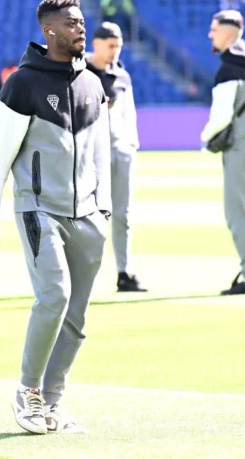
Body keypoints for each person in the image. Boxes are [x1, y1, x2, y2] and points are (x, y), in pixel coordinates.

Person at [0, 0, 110, 435]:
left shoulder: (93, 84)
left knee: (76, 318)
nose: (80, 28)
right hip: (38, 209)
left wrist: (104, 209)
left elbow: (101, 154)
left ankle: (52, 403)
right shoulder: (22, 84)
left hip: (88, 216)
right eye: (71, 23)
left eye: (82, 21)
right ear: (49, 31)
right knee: (54, 297)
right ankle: (27, 392)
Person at [201, 10, 245, 296]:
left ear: (228, 33)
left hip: (240, 147)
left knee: (236, 214)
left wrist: (205, 140)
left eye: (215, 29)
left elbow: (221, 116)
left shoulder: (228, 68)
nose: (210, 34)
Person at [85, 22, 146, 293]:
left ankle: (125, 272)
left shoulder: (122, 75)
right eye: (111, 46)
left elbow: (128, 113)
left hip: (120, 152)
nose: (115, 52)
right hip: (89, 155)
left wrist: (132, 144)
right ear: (96, 44)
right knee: (87, 216)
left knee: (123, 215)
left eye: (118, 46)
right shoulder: (80, 71)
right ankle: (83, 274)